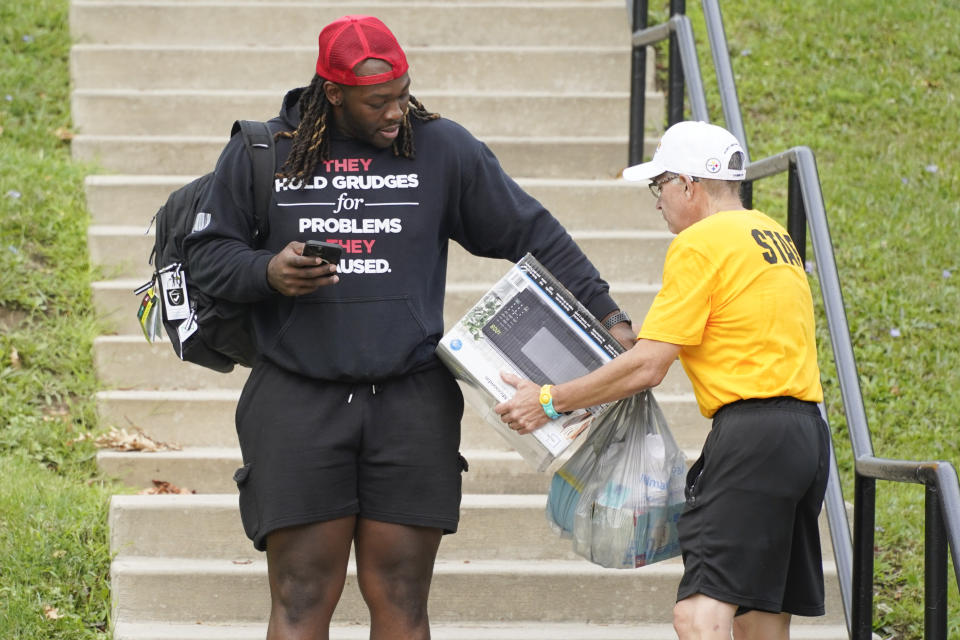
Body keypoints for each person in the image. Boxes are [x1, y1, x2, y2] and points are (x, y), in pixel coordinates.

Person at [182, 15, 636, 640]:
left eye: (402, 93)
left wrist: (607, 314)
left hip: (410, 397)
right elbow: (206, 254)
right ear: (333, 93)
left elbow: (531, 232)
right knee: (301, 593)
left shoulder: (442, 149)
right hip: (297, 396)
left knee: (401, 593)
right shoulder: (266, 150)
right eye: (378, 102)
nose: (396, 111)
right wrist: (269, 272)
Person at [495, 121, 830, 640]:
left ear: (689, 185)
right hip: (804, 434)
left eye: (660, 187)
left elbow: (650, 365)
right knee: (761, 617)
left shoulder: (700, 242)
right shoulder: (772, 235)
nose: (658, 202)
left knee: (698, 617)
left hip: (751, 436)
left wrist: (550, 399)